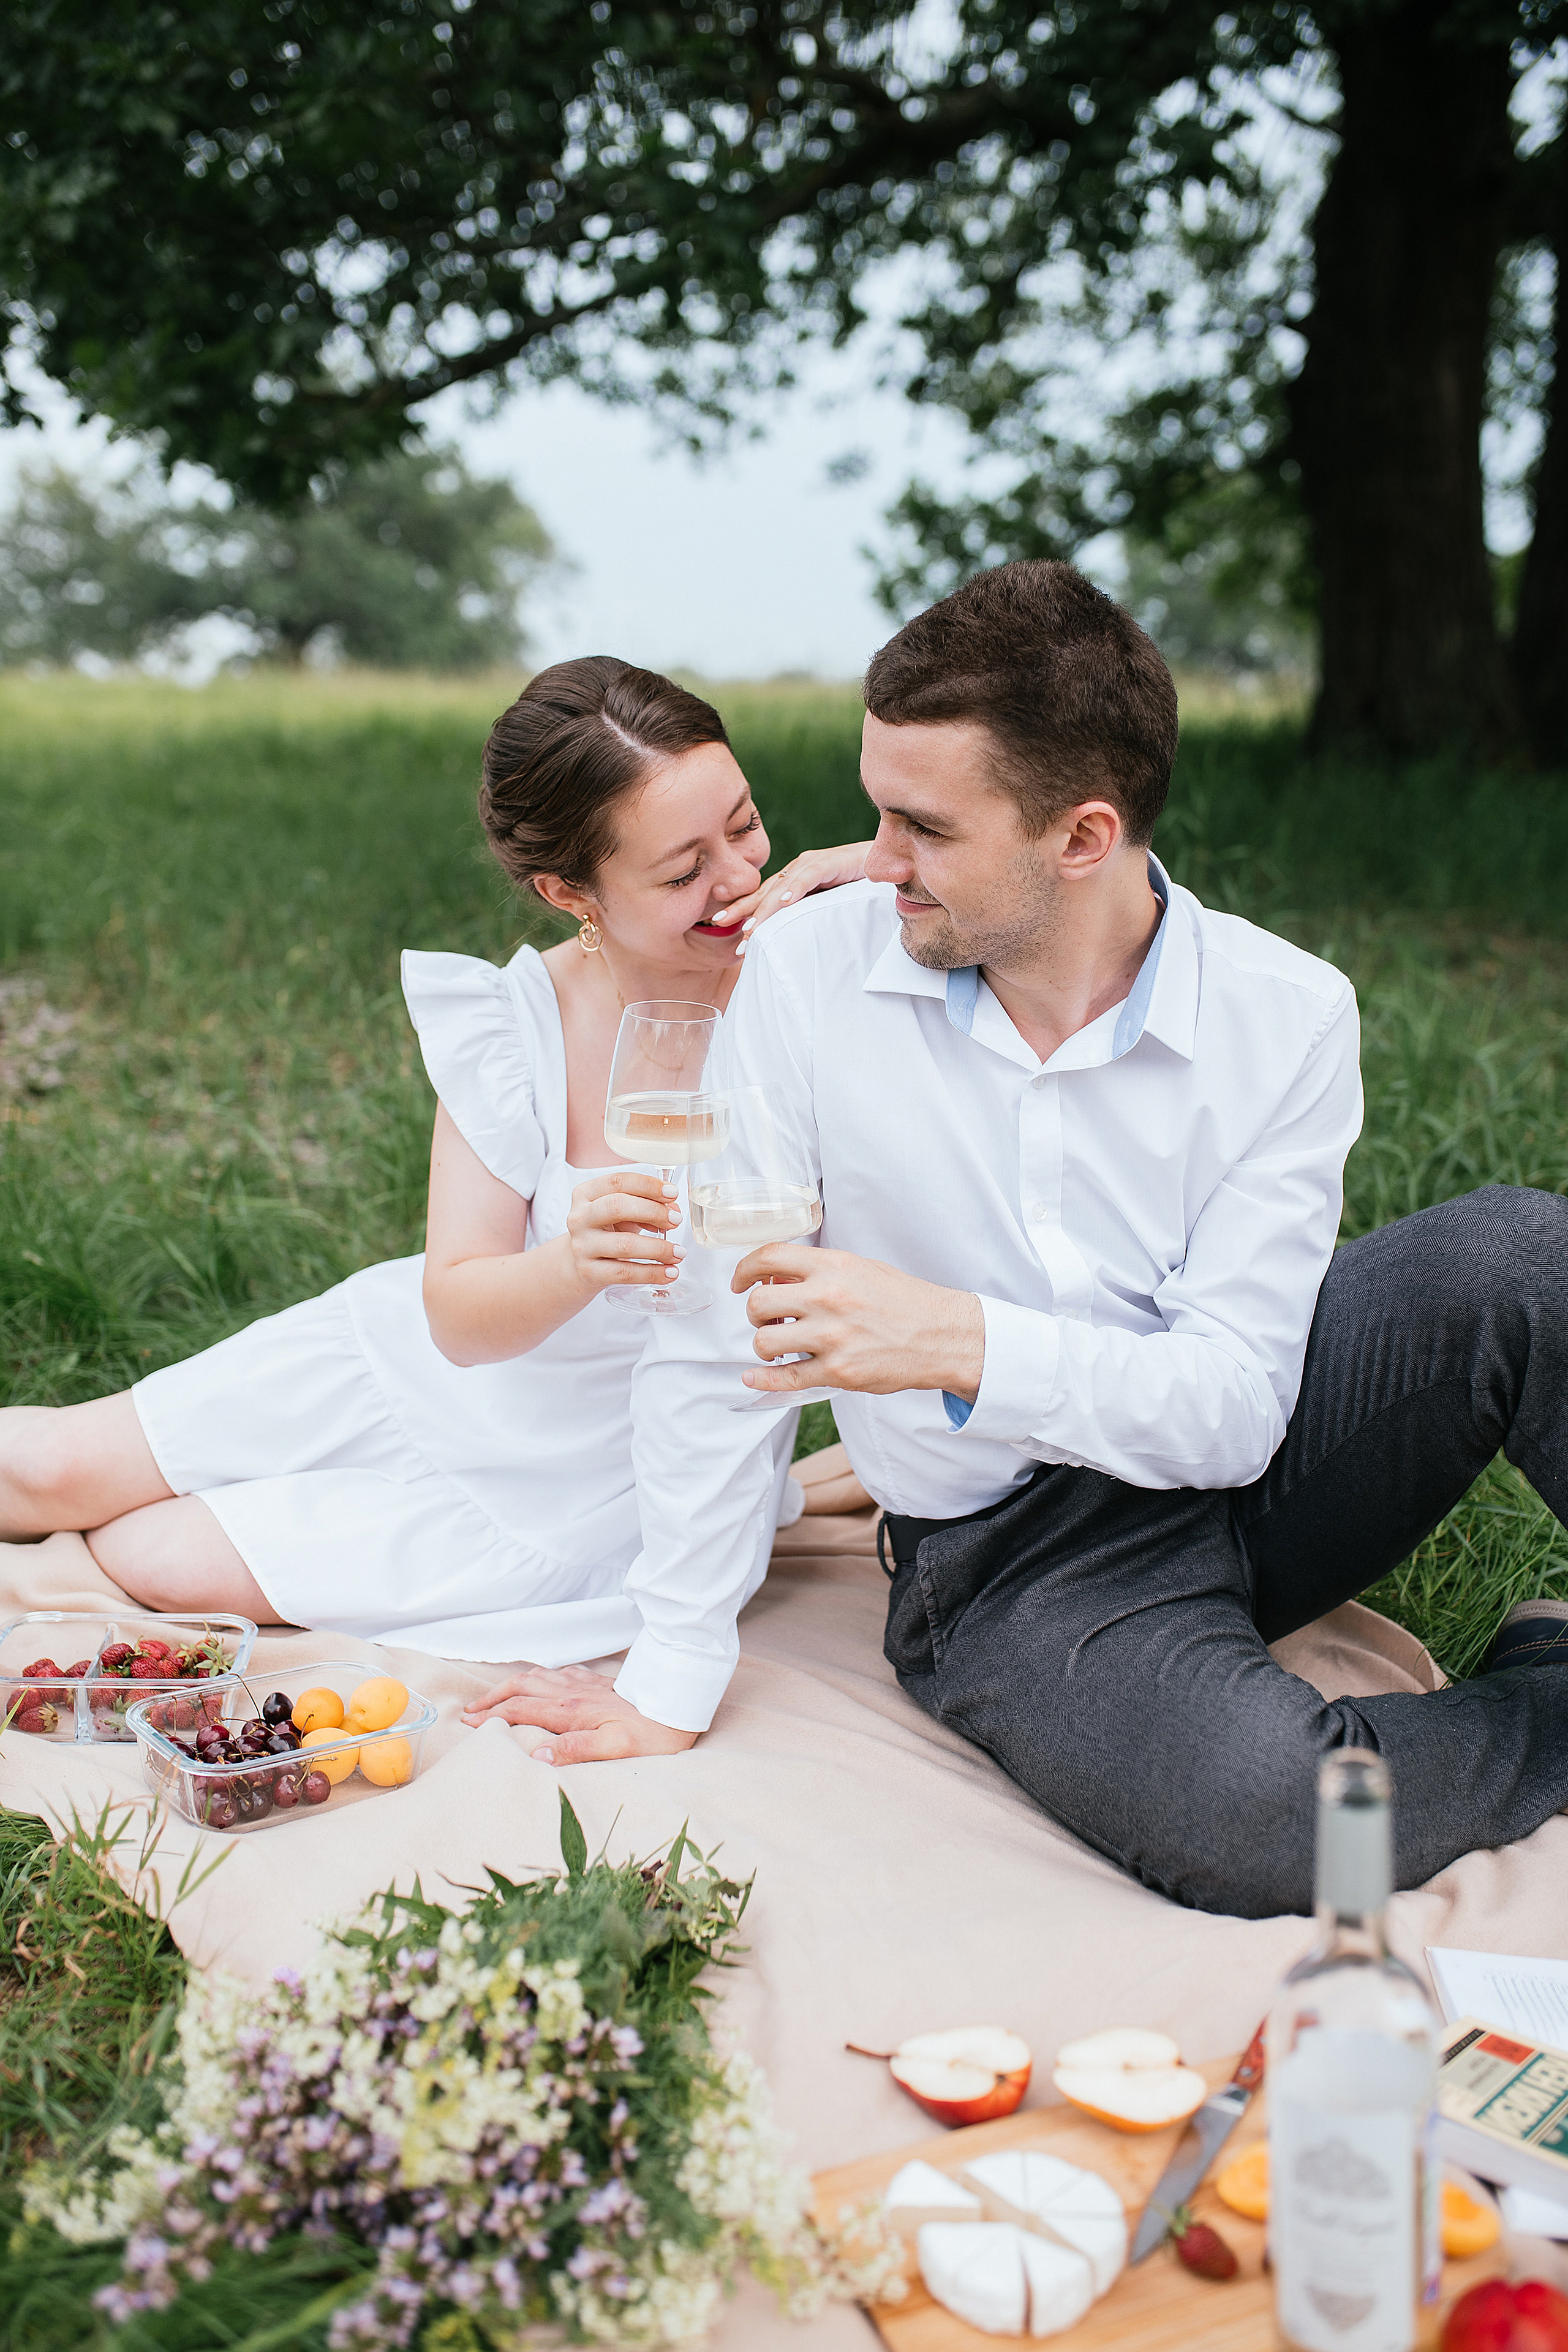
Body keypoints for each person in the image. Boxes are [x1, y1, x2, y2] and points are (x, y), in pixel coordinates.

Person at [472, 561, 1568, 1914]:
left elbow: (1233, 1414)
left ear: (1080, 837)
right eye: (875, 810)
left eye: (919, 828)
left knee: (1526, 1258)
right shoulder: (811, 981)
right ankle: (1548, 1697)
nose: (864, 864)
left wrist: (949, 1338)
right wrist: (671, 1670)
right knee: (1265, 1820)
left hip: (1254, 1454)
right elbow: (717, 1343)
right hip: (1012, 1553)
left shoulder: (1286, 1015)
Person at [0, 658, 866, 1758]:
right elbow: (456, 1311)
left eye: (746, 828)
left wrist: (849, 869)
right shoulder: (515, 1026)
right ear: (571, 894)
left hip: (583, 1475)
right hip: (423, 1364)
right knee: (49, 1471)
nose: (740, 877)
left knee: (152, 1561)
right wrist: (575, 1264)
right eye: (684, 867)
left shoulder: (806, 983)